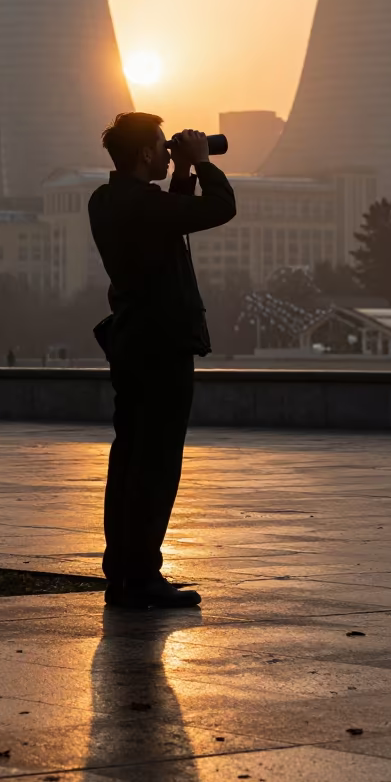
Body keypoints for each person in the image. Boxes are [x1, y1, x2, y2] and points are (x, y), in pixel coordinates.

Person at [89, 113, 236, 610]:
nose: (166, 148)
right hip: (162, 345)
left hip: (131, 343)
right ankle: (144, 576)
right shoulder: (143, 205)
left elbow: (165, 217)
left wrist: (180, 178)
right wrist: (202, 163)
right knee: (157, 462)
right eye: (160, 144)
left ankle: (122, 574)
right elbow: (220, 208)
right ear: (147, 154)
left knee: (129, 456)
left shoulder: (105, 201)